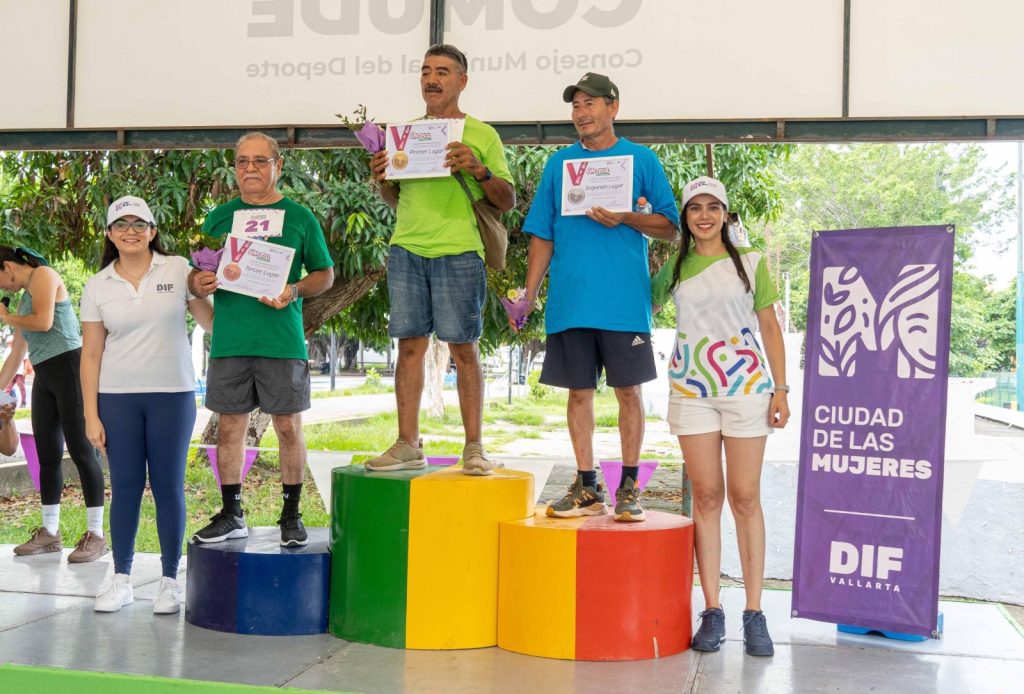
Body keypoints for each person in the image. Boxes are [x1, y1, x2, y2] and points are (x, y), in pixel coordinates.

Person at [520, 73, 679, 521]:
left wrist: (627, 217)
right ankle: (587, 485)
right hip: (571, 302)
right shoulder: (559, 165)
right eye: (575, 106)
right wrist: (528, 293)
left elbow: (670, 226)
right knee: (578, 394)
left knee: (629, 392)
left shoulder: (641, 159)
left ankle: (629, 486)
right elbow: (542, 234)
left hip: (624, 303)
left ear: (613, 108)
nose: (581, 113)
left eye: (590, 103)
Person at [651, 176, 790, 657]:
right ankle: (712, 609)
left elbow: (769, 326)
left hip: (747, 389)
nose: (705, 215)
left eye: (714, 207)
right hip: (691, 391)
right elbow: (641, 303)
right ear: (685, 217)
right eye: (695, 208)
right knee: (706, 497)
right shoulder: (674, 267)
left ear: (727, 215)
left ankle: (755, 611)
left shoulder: (751, 262)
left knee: (745, 497)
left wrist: (780, 389)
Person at [365, 43, 515, 475]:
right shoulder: (404, 134)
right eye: (426, 71)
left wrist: (479, 169)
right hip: (407, 248)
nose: (432, 79)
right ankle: (408, 444)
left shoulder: (482, 134)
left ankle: (474, 448)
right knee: (409, 347)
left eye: (443, 72)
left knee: (464, 349)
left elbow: (506, 200)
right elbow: (396, 198)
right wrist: (381, 177)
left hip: (460, 250)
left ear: (462, 81)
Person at [189, 132, 334, 547]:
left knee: (288, 427)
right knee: (229, 428)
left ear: (278, 166)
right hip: (230, 341)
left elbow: (325, 275)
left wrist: (294, 289)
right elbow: (196, 274)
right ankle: (232, 513)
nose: (250, 168)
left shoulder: (299, 217)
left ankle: (291, 513)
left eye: (259, 161)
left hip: (281, 341)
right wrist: (198, 282)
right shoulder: (218, 218)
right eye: (242, 161)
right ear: (234, 168)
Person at [81, 196, 214, 613]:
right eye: (121, 224)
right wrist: (90, 414)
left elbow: (210, 321)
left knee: (168, 485)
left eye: (139, 224)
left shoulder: (177, 268)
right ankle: (121, 579)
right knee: (125, 488)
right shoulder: (97, 285)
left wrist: (228, 287)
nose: (131, 231)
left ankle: (170, 581)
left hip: (172, 395)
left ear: (152, 231)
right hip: (116, 398)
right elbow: (91, 354)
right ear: (109, 234)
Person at [0, 246, 108, 561]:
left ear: (7, 267)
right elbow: (16, 355)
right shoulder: (23, 300)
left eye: (0, 280)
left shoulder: (43, 275)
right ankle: (50, 531)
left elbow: (44, 321)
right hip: (45, 375)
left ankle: (96, 534)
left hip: (70, 368)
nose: (3, 288)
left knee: (81, 451)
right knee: (46, 455)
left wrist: (5, 317)